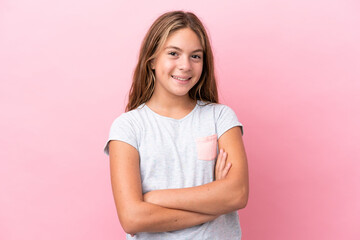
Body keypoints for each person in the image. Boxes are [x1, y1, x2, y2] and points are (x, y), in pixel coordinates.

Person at [103, 10, 249, 239]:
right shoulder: (127, 127)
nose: (185, 65)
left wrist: (154, 199)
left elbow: (237, 195)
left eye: (196, 56)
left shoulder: (221, 118)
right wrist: (214, 205)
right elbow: (132, 219)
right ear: (151, 60)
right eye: (173, 53)